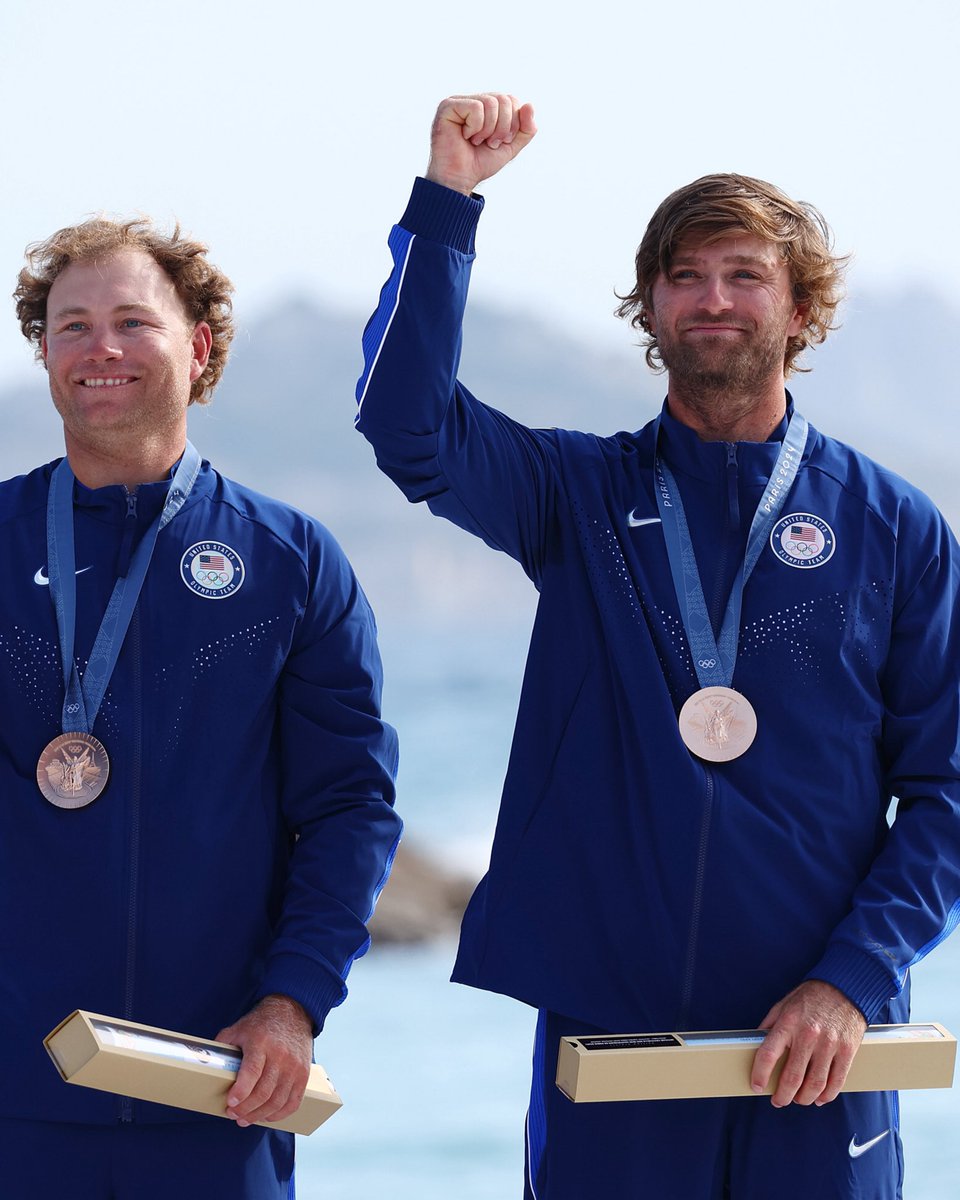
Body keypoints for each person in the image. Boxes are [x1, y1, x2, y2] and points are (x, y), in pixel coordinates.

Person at [354, 93, 960, 1198]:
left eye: (742, 274)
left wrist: (850, 982)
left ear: (800, 305)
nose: (712, 299)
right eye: (684, 276)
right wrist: (446, 204)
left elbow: (947, 795)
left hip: (820, 1044)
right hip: (617, 1042)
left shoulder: (897, 528)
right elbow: (408, 423)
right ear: (651, 307)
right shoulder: (576, 496)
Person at [4, 217, 401, 1199]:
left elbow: (350, 808)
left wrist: (294, 1003)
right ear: (44, 352)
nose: (99, 349)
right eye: (71, 326)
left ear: (200, 345)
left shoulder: (291, 561)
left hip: (218, 1087)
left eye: (132, 321)